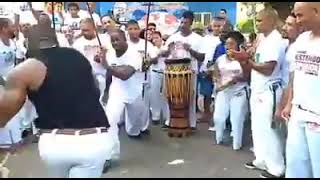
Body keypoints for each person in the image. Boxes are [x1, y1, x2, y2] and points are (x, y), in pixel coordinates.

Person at [0, 15, 117, 178]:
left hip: (55, 144)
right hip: (95, 140)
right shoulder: (77, 56)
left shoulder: (25, 69)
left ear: (29, 43)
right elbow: (95, 92)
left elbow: (3, 115)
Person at [232, 8, 287, 178]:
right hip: (257, 88)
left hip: (268, 90)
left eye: (260, 21)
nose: (257, 24)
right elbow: (255, 60)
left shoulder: (275, 40)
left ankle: (277, 168)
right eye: (256, 21)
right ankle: (261, 159)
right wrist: (245, 57)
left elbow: (268, 68)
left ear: (271, 21)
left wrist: (246, 60)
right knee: (258, 127)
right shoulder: (263, 39)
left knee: (269, 130)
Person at [281, 2, 320, 178]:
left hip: (317, 117)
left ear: (317, 12)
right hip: (298, 113)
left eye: (300, 15)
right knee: (296, 167)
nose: (297, 20)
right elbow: (296, 74)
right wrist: (289, 103)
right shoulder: (302, 40)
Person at [162, 11, 206, 131]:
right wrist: (168, 50)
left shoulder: (198, 39)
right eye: (181, 22)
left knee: (190, 98)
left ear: (191, 23)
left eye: (185, 22)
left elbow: (202, 57)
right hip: (173, 72)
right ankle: (169, 120)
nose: (182, 25)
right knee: (170, 96)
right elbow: (164, 53)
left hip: (190, 72)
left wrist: (190, 49)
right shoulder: (173, 37)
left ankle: (191, 123)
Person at [104, 29, 146, 139]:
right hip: (117, 91)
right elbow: (109, 74)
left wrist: (107, 66)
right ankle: (110, 146)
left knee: (134, 125)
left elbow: (125, 75)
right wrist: (106, 91)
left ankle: (133, 132)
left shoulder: (135, 54)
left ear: (125, 39)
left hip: (134, 92)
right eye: (112, 40)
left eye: (117, 40)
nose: (114, 43)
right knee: (110, 119)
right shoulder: (109, 54)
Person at [213, 31, 249, 151]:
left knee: (237, 118)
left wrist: (236, 79)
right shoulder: (220, 59)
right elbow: (216, 73)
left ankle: (237, 144)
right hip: (223, 91)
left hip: (239, 92)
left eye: (232, 44)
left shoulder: (242, 60)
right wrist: (218, 84)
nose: (228, 46)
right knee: (219, 117)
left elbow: (247, 77)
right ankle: (219, 138)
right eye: (226, 44)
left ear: (238, 45)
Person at [126, 19, 158, 135]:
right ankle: (132, 130)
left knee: (145, 103)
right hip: (130, 78)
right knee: (132, 104)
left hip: (144, 76)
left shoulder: (146, 44)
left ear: (139, 30)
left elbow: (155, 58)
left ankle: (143, 126)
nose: (133, 31)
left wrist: (149, 60)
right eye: (130, 29)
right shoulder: (125, 45)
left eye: (135, 28)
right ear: (127, 30)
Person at [73, 18, 111, 106]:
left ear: (94, 28)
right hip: (84, 78)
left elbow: (112, 58)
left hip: (102, 76)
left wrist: (103, 55)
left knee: (100, 103)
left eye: (87, 30)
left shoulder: (105, 39)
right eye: (82, 30)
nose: (84, 33)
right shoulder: (77, 43)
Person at [200, 16, 224, 128]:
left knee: (218, 94)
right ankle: (206, 114)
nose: (217, 28)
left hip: (220, 72)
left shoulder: (224, 40)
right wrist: (204, 68)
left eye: (219, 26)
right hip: (206, 69)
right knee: (206, 93)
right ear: (211, 26)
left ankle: (216, 116)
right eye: (215, 26)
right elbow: (202, 55)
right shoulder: (205, 39)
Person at [150, 31, 167, 125]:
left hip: (165, 72)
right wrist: (159, 54)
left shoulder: (167, 47)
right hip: (155, 72)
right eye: (153, 38)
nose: (155, 40)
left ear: (161, 38)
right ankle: (155, 116)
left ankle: (166, 116)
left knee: (166, 94)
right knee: (155, 94)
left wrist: (164, 53)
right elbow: (154, 61)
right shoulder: (151, 49)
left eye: (157, 37)